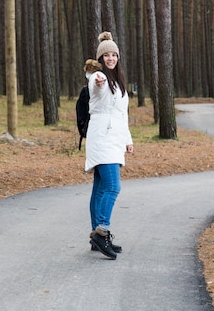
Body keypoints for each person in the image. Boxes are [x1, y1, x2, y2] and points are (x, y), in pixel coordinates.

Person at [84, 31, 134, 260]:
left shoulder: (120, 82)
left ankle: (97, 235)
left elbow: (122, 114)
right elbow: (95, 85)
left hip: (114, 139)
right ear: (101, 58)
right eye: (107, 55)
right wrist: (98, 79)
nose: (111, 58)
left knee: (100, 187)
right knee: (113, 186)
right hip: (101, 138)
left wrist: (128, 140)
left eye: (114, 55)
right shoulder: (98, 78)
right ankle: (102, 230)